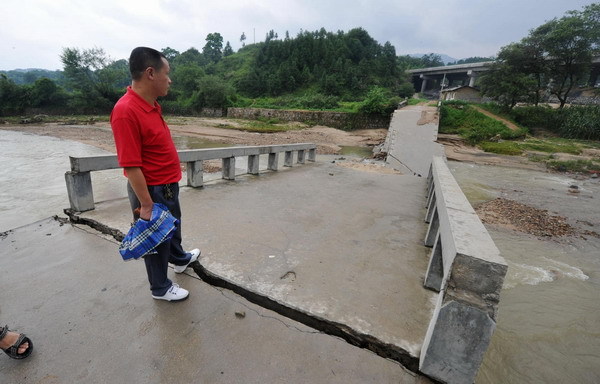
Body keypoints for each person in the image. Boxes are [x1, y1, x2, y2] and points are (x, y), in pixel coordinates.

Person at [110, 47, 200, 302]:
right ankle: (160, 287)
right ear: (151, 73)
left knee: (171, 227)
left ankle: (180, 259)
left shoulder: (150, 104)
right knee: (155, 238)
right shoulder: (125, 111)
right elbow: (131, 165)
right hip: (151, 189)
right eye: (166, 73)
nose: (169, 80)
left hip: (167, 184)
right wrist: (146, 204)